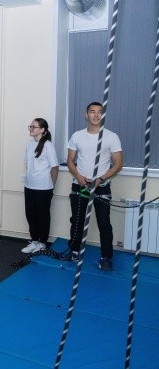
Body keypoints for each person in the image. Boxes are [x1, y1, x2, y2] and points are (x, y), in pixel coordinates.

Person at [63, 102, 123, 270]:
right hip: (80, 185)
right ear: (86, 115)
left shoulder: (111, 137)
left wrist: (101, 179)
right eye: (92, 111)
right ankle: (74, 250)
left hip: (101, 186)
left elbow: (118, 164)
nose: (96, 115)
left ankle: (106, 257)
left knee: (104, 223)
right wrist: (78, 177)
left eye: (99, 112)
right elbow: (70, 160)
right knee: (77, 221)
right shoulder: (77, 136)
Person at [22, 118, 58, 254]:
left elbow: (55, 168)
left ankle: (42, 243)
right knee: (30, 215)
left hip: (44, 188)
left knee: (42, 216)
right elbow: (28, 165)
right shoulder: (29, 144)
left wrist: (52, 185)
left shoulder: (48, 146)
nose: (31, 129)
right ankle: (34, 241)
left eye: (34, 127)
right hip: (29, 186)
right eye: (30, 126)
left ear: (42, 130)